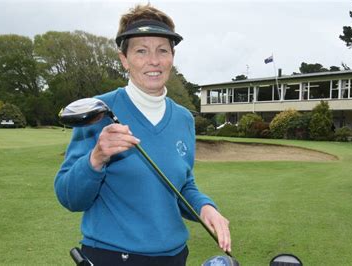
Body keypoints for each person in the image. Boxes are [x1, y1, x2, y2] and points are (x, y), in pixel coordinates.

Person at [54, 4, 231, 265]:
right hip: (113, 256)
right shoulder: (97, 111)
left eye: (162, 50)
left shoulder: (183, 118)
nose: (154, 61)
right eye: (141, 51)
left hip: (174, 256)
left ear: (172, 56)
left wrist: (206, 207)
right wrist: (96, 158)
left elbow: (182, 185)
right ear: (124, 59)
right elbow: (69, 196)